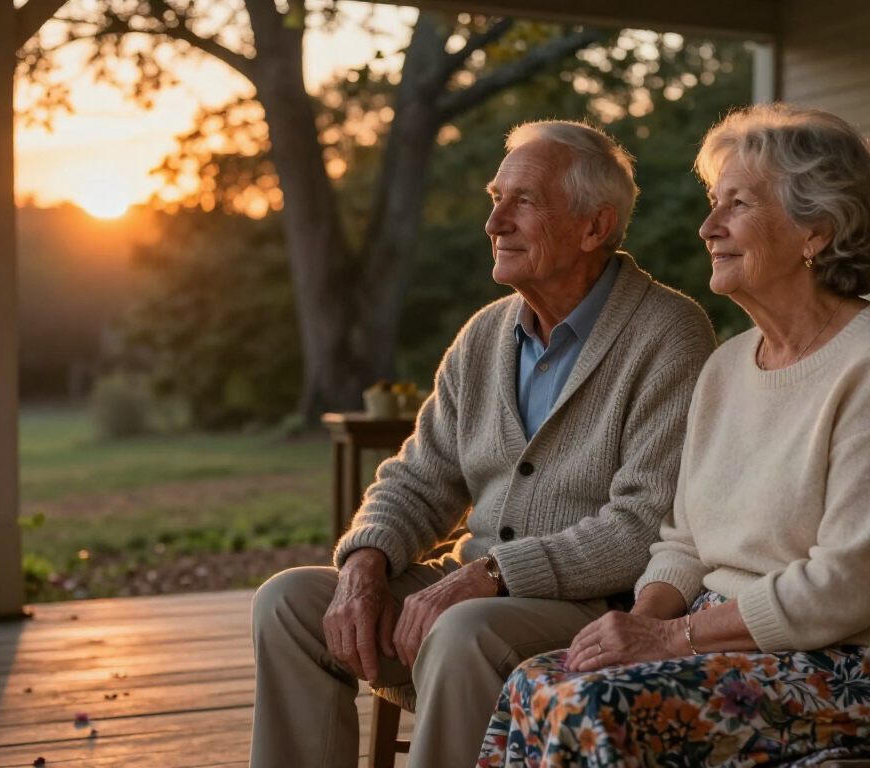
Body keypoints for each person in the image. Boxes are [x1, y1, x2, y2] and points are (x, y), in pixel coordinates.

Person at [479, 104, 870, 767]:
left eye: (737, 205)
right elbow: (685, 541)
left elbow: (848, 583)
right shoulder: (725, 367)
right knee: (535, 681)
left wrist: (673, 639)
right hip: (743, 646)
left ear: (816, 232)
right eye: (713, 204)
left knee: (595, 705)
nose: (707, 227)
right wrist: (642, 622)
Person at [249, 120, 717, 768]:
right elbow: (418, 479)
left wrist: (491, 575)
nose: (494, 222)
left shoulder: (670, 333)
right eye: (494, 199)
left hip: (590, 609)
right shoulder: (484, 336)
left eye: (522, 201)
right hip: (473, 596)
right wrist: (366, 565)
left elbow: (642, 527)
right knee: (289, 603)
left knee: (461, 628)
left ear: (593, 226)